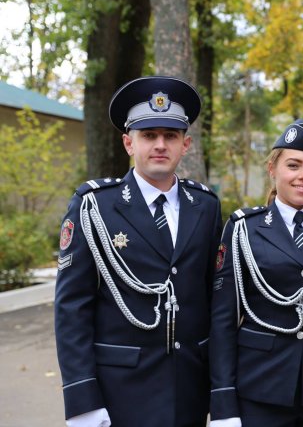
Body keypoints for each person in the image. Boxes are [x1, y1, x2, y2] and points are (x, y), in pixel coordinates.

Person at [54, 76, 223, 427]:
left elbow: (214, 301)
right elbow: (72, 308)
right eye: (149, 136)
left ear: (185, 144)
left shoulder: (205, 206)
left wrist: (222, 393)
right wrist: (82, 399)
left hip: (189, 387)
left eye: (170, 136)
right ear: (129, 143)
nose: (160, 145)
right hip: (120, 391)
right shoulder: (94, 206)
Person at [208, 119, 303, 426]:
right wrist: (224, 404)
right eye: (293, 165)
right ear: (273, 169)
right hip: (262, 389)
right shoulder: (243, 229)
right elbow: (223, 322)